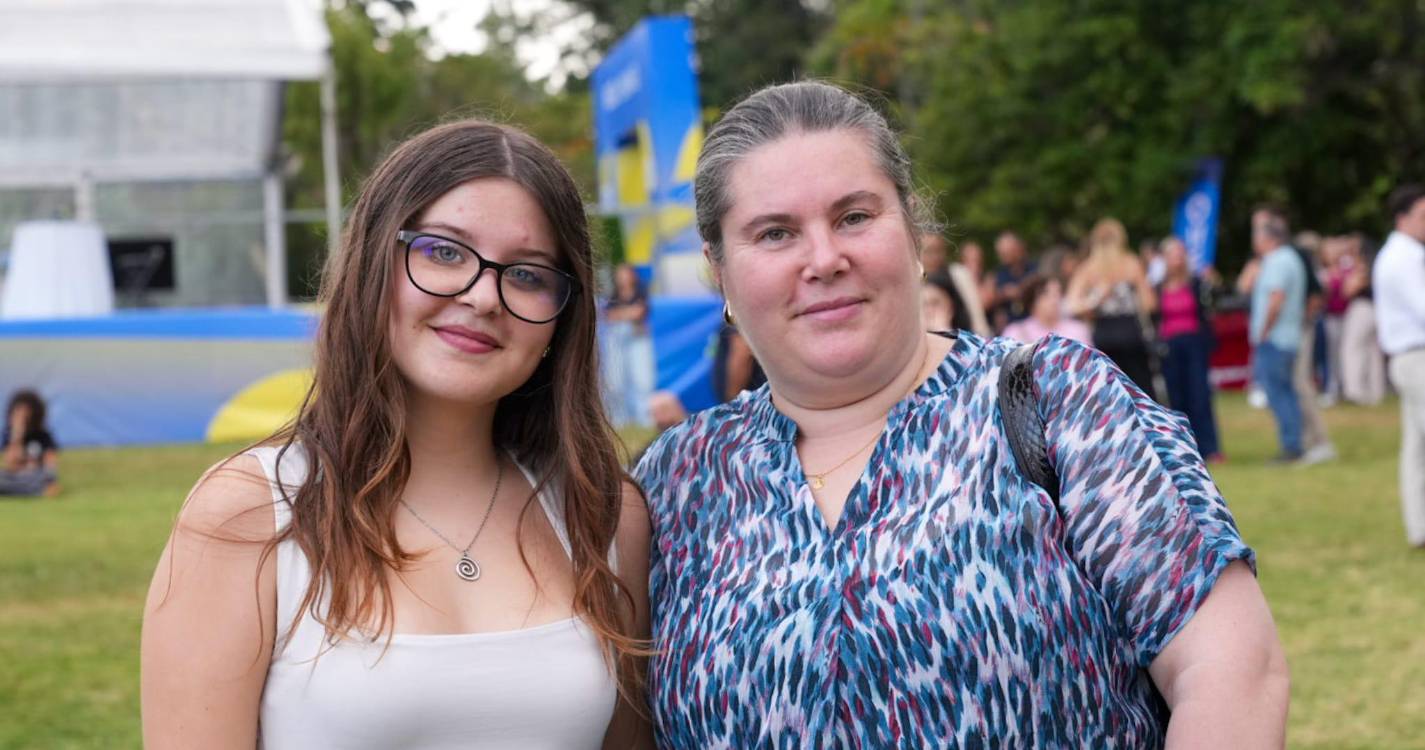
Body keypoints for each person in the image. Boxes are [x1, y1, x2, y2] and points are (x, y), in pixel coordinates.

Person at [635, 80, 1287, 748]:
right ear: (719, 270)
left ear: (914, 230)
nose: (824, 259)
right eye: (775, 234)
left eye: (854, 217)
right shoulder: (674, 482)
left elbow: (1231, 668)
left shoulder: (1059, 400)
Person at [141, 120, 652, 749]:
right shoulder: (247, 513)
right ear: (373, 260)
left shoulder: (605, 513)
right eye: (443, 252)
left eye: (527, 274)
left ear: (560, 319)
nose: (485, 296)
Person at [1373, 184, 1425, 548]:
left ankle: (1418, 527)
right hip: (1416, 357)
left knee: (1415, 449)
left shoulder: (1396, 253)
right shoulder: (1406, 257)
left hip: (1406, 358)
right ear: (1402, 218)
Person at [1066, 217, 1162, 401]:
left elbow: (1072, 304)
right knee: (1140, 391)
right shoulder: (1131, 263)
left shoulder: (1087, 269)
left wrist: (1095, 302)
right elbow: (1150, 303)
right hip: (1130, 333)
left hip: (1103, 334)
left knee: (1110, 393)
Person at [1249, 205, 1311, 462]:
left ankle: (1291, 446)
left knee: (1279, 394)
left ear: (1268, 239)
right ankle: (1294, 443)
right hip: (1286, 337)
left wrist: (1263, 331)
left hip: (1275, 338)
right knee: (1285, 392)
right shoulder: (1290, 259)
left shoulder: (1277, 261)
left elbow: (1276, 299)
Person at [1156, 236, 1223, 462]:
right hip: (1169, 346)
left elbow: (1213, 304)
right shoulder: (1157, 287)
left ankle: (1210, 447)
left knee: (1200, 394)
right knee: (1176, 396)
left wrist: (1213, 282)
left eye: (1179, 254)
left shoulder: (1196, 283)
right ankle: (1184, 446)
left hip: (1194, 343)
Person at [1289, 230, 1335, 463]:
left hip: (1301, 330)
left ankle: (1319, 440)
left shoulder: (1303, 263)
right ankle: (1309, 438)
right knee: (1299, 384)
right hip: (1301, 329)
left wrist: (1304, 320)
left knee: (1302, 383)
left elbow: (1316, 296)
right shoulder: (1305, 265)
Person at [602, 263, 656, 428]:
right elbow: (608, 315)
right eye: (620, 274)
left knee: (642, 380)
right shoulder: (613, 295)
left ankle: (645, 419)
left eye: (625, 273)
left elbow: (640, 312)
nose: (623, 277)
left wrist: (622, 314)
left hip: (637, 339)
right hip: (617, 341)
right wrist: (629, 313)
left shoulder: (641, 291)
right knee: (615, 380)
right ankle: (619, 420)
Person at [1340, 233, 1387, 404]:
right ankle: (1376, 391)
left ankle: (1355, 390)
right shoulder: (1379, 264)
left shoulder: (1363, 267)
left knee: (1353, 349)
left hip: (1362, 309)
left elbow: (1348, 290)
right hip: (1377, 309)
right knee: (1373, 351)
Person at [920, 233, 991, 336]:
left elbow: (975, 312)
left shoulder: (958, 273)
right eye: (929, 251)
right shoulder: (915, 281)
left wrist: (982, 337)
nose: (934, 257)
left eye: (938, 251)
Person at [1000, 273, 1091, 344]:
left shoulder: (1078, 329)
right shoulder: (1016, 332)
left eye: (1057, 293)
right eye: (1046, 295)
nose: (1054, 299)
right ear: (1032, 301)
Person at [1, 389, 60, 498]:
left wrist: (51, 481)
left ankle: (20, 492)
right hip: (16, 477)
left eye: (26, 411)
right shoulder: (9, 434)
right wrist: (17, 434)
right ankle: (29, 493)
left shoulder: (43, 435)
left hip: (35, 476)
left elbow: (50, 463)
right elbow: (11, 464)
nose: (23, 415)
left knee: (39, 479)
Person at [989, 230, 1036, 331]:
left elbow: (1037, 283)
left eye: (1006, 253)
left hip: (1033, 325)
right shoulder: (998, 273)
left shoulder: (1034, 268)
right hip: (1009, 328)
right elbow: (989, 298)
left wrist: (1021, 289)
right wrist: (1003, 294)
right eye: (1001, 253)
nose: (1002, 257)